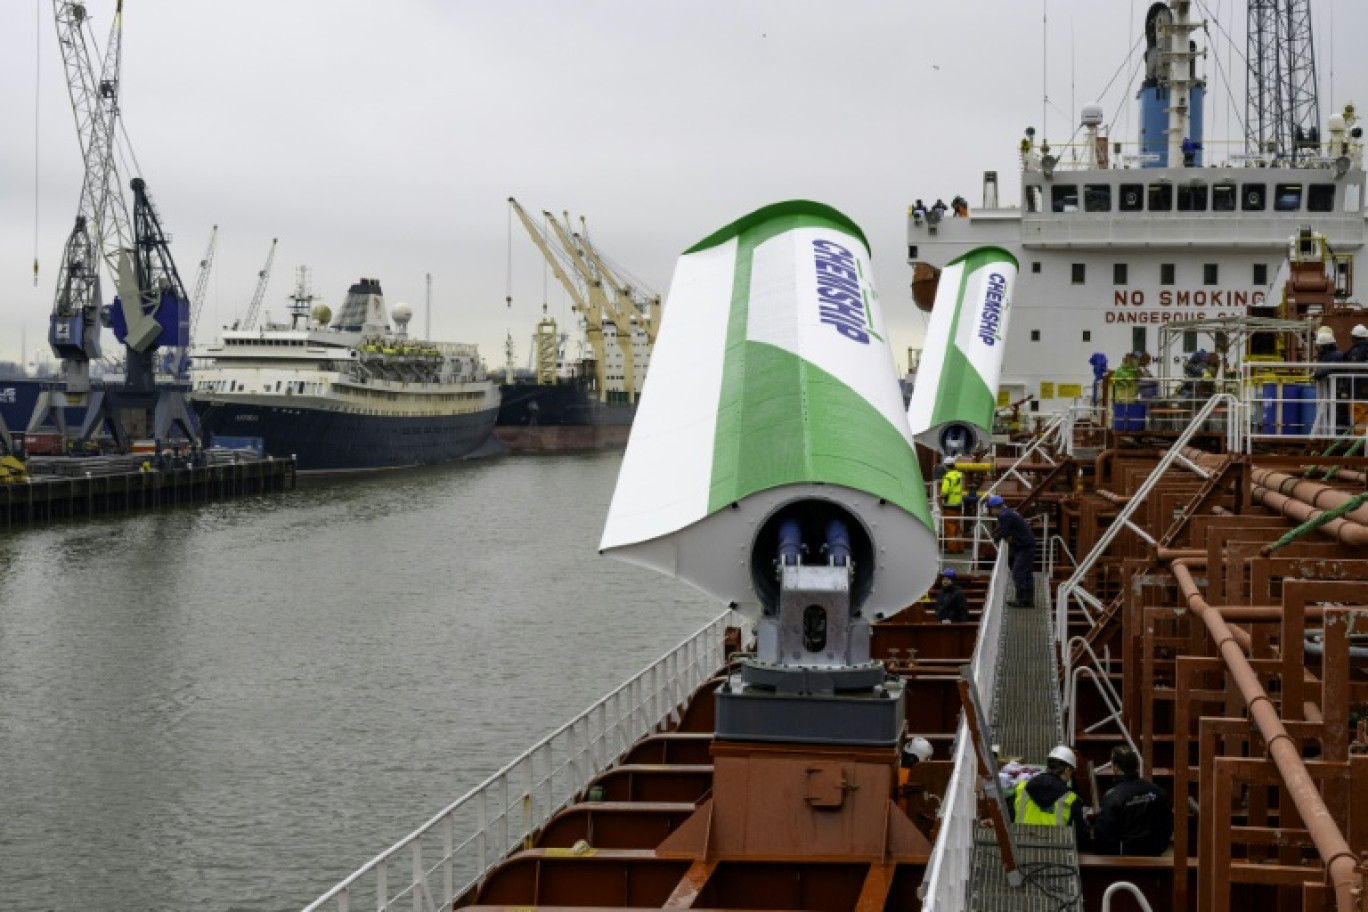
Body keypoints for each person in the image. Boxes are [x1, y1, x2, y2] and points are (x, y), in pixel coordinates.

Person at [1088, 745, 1172, 856]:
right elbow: (1168, 824)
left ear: (1116, 768)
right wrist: (1160, 847)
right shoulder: (1157, 791)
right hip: (1154, 852)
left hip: (1124, 856)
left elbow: (1103, 835)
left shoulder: (1112, 797)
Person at [1009, 745, 1086, 841]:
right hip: (1058, 851)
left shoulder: (1021, 788)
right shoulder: (1071, 798)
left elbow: (1008, 820)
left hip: (1020, 847)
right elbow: (1080, 834)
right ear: (1067, 770)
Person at [985, 494, 1037, 607]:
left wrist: (995, 539)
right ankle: (1029, 600)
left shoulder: (1004, 515)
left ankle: (1021, 599)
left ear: (995, 508)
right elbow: (1005, 529)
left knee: (1017, 572)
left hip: (1025, 546)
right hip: (1026, 544)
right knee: (1027, 573)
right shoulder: (1007, 512)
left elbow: (1004, 531)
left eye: (990, 508)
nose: (990, 511)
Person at [940, 458, 965, 552]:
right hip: (958, 505)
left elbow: (945, 491)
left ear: (946, 466)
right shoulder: (959, 475)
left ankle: (952, 549)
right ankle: (960, 547)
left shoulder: (948, 477)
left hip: (949, 505)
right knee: (957, 527)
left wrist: (942, 497)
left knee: (950, 528)